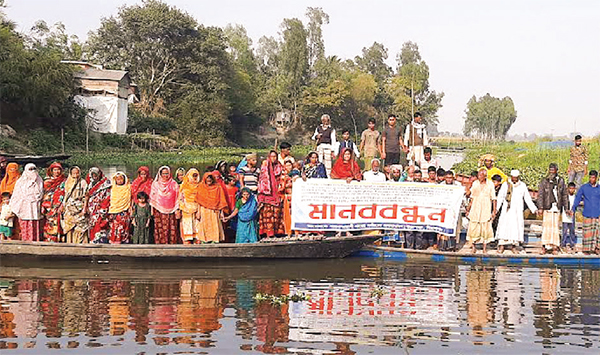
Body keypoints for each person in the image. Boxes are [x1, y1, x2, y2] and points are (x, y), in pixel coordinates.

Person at [495, 170, 538, 254]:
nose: (514, 180)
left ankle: (513, 246)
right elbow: (500, 197)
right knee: (504, 226)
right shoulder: (506, 185)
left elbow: (527, 198)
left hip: (517, 210)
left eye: (516, 178)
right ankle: (501, 246)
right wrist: (496, 209)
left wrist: (534, 209)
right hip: (507, 209)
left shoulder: (522, 186)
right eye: (513, 178)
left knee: (515, 228)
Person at [536, 163, 568, 255]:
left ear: (556, 170)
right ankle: (544, 247)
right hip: (547, 207)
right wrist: (540, 207)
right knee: (546, 228)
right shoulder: (544, 181)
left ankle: (555, 247)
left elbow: (564, 195)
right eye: (550, 170)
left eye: (553, 170)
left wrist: (566, 208)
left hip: (556, 207)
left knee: (555, 228)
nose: (551, 172)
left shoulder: (560, 181)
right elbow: (540, 195)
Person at [9, 163, 44, 242]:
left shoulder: (39, 180)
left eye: (34, 169)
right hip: (24, 207)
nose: (32, 171)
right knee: (24, 226)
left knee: (35, 225)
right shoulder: (21, 181)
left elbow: (41, 193)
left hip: (35, 207)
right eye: (30, 169)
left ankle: (36, 242)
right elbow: (16, 195)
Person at [466, 168, 497, 254]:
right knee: (473, 227)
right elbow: (471, 197)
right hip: (475, 207)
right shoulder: (475, 183)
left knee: (485, 227)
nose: (479, 177)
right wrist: (468, 209)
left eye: (480, 175)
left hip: (486, 208)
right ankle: (473, 247)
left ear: (485, 176)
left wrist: (494, 211)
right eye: (478, 175)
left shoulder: (490, 184)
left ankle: (484, 248)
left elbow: (494, 198)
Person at [571, 170, 600, 255]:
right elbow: (577, 198)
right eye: (590, 177)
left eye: (593, 177)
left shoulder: (599, 188)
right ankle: (586, 249)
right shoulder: (584, 187)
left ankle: (597, 248)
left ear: (596, 178)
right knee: (587, 232)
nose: (592, 179)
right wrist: (573, 209)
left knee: (597, 232)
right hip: (587, 213)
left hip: (597, 213)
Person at [258, 150, 285, 238]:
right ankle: (268, 234)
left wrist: (281, 189)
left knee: (276, 214)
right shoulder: (265, 166)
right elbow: (262, 180)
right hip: (267, 195)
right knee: (267, 214)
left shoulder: (279, 166)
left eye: (275, 157)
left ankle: (277, 232)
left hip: (277, 192)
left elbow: (283, 177)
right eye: (272, 156)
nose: (273, 158)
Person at [150, 166, 180, 244]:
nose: (165, 175)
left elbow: (178, 197)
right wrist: (152, 210)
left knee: (171, 228)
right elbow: (153, 198)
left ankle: (172, 245)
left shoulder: (174, 184)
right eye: (163, 173)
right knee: (161, 229)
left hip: (172, 210)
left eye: (167, 173)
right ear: (160, 174)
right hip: (159, 210)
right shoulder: (156, 184)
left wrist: (177, 209)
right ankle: (161, 245)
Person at [195, 172, 228, 243]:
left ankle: (215, 240)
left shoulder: (218, 187)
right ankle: (204, 241)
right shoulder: (201, 187)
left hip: (214, 210)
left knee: (214, 225)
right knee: (204, 225)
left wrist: (221, 213)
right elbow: (199, 201)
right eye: (207, 180)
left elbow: (221, 200)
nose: (209, 182)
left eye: (210, 180)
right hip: (204, 210)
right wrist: (198, 212)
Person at [60, 166, 89, 244]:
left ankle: (81, 244)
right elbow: (65, 195)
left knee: (80, 228)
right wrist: (63, 205)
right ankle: (70, 243)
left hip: (79, 206)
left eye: (77, 173)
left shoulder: (83, 182)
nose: (75, 175)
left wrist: (84, 209)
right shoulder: (67, 182)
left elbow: (86, 196)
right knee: (69, 227)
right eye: (73, 173)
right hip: (69, 207)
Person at [41, 162, 66, 242]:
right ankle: (49, 240)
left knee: (59, 223)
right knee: (49, 223)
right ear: (51, 171)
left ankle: (59, 240)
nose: (57, 172)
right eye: (55, 170)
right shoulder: (46, 181)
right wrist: (43, 205)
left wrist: (62, 205)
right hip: (48, 207)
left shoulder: (64, 181)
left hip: (59, 206)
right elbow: (43, 194)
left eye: (58, 170)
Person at [86, 167, 111, 244]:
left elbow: (108, 196)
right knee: (92, 226)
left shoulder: (105, 184)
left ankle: (102, 243)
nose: (94, 176)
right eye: (93, 174)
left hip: (101, 208)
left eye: (96, 174)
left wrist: (103, 209)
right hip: (92, 209)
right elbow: (87, 196)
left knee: (101, 225)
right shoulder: (90, 184)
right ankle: (93, 242)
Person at [108, 172, 132, 244]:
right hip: (114, 210)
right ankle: (114, 241)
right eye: (117, 179)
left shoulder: (128, 187)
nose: (119, 181)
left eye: (121, 179)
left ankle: (124, 242)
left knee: (124, 227)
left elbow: (131, 199)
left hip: (124, 210)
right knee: (115, 227)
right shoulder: (113, 188)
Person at [179, 168, 201, 244]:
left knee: (196, 226)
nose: (195, 178)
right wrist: (183, 208)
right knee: (187, 225)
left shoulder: (200, 186)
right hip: (186, 209)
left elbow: (201, 199)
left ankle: (196, 241)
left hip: (196, 209)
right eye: (193, 175)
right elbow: (180, 199)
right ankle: (187, 241)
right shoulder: (184, 185)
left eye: (196, 176)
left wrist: (199, 210)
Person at [280, 159, 296, 237]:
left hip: (295, 197)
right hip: (287, 197)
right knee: (288, 215)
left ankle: (296, 232)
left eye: (290, 165)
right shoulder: (283, 176)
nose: (289, 167)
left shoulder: (295, 174)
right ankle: (288, 232)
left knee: (295, 214)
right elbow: (281, 188)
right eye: (287, 165)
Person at [562, 182, 578, 252]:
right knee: (564, 231)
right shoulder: (565, 197)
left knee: (572, 231)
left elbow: (575, 206)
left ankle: (572, 244)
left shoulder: (575, 197)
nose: (571, 190)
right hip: (565, 216)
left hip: (572, 216)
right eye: (570, 188)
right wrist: (566, 211)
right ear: (568, 188)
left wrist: (572, 211)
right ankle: (563, 244)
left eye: (573, 189)